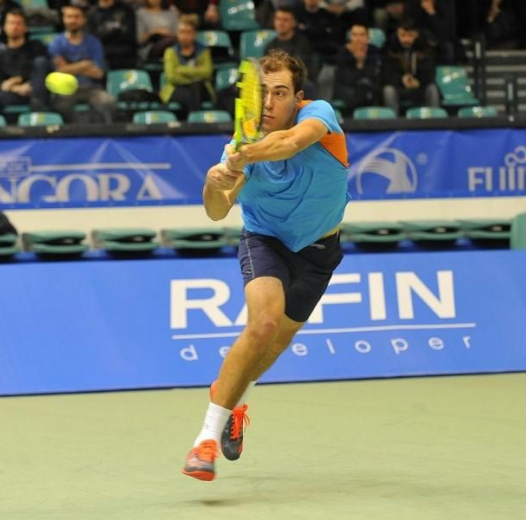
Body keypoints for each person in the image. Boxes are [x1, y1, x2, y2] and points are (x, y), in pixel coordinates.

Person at [181, 49, 349, 481]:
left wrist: (245, 156)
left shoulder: (320, 116)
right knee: (263, 325)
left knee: (274, 346)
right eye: (265, 93)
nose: (271, 102)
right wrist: (215, 181)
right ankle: (204, 441)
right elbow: (216, 212)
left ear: (298, 98)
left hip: (318, 253)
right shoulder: (236, 149)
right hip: (265, 241)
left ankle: (236, 400)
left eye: (281, 92)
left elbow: (290, 143)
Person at [0, 10, 49, 114]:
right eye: (11, 23)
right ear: (5, 27)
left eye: (18, 23)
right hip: (11, 94)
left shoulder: (36, 46)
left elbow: (41, 72)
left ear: (25, 27)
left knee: (40, 62)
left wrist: (15, 81)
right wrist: (15, 88)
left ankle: (39, 110)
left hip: (32, 92)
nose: (14, 27)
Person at [48, 4, 116, 124]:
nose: (73, 20)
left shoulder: (94, 43)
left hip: (92, 88)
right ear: (63, 19)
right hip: (66, 90)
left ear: (84, 20)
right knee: (61, 105)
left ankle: (103, 135)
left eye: (77, 17)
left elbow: (99, 73)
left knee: (108, 101)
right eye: (69, 16)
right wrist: (85, 64)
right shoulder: (56, 43)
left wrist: (69, 67)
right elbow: (59, 71)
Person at [382, 18, 439, 116]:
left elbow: (431, 73)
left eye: (410, 35)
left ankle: (435, 122)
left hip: (420, 87)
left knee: (432, 89)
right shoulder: (389, 48)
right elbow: (385, 74)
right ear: (397, 34)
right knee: (388, 90)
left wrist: (419, 81)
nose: (406, 39)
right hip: (398, 87)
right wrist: (401, 80)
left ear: (416, 34)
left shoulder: (425, 49)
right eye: (402, 35)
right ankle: (392, 124)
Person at [160, 15, 214, 117]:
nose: (184, 36)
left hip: (201, 89)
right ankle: (196, 122)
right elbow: (172, 77)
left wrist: (183, 70)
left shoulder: (204, 51)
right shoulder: (170, 52)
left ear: (194, 34)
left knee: (196, 88)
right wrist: (195, 76)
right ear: (177, 34)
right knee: (193, 91)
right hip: (176, 89)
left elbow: (207, 72)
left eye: (188, 32)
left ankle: (192, 123)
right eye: (182, 32)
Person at [334, 22, 382, 114]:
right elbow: (347, 79)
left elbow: (372, 75)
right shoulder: (343, 52)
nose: (358, 39)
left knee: (366, 85)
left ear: (368, 37)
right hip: (346, 88)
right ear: (350, 37)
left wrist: (361, 63)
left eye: (362, 35)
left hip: (368, 86)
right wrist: (359, 64)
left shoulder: (373, 51)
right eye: (355, 35)